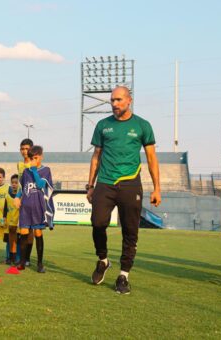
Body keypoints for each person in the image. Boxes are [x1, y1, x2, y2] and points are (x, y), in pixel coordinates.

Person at [87, 86, 161, 294]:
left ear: (129, 100)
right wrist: (90, 185)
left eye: (118, 100)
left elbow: (152, 158)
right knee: (97, 222)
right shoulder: (103, 125)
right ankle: (103, 260)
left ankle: (123, 276)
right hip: (105, 182)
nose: (114, 104)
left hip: (130, 184)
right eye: (112, 100)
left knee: (130, 231)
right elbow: (96, 157)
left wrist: (157, 188)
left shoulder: (142, 126)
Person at [14, 145, 54, 273]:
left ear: (41, 156)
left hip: (38, 207)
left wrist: (34, 170)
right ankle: (22, 262)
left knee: (37, 233)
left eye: (36, 158)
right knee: (24, 233)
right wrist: (17, 197)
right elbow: (22, 188)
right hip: (26, 207)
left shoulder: (46, 170)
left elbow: (41, 185)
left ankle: (40, 263)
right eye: (32, 158)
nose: (34, 161)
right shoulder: (26, 172)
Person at [17, 138, 34, 266]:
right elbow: (20, 184)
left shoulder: (34, 164)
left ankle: (27, 258)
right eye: (22, 149)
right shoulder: (19, 164)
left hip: (32, 199)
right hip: (21, 200)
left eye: (27, 149)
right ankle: (20, 258)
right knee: (23, 229)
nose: (25, 151)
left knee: (32, 230)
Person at [3, 174, 21, 265]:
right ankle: (8, 258)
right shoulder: (7, 196)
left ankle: (17, 258)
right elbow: (5, 209)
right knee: (8, 241)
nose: (14, 184)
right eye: (12, 182)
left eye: (16, 183)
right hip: (9, 223)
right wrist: (3, 220)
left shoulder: (21, 196)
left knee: (17, 241)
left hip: (18, 224)